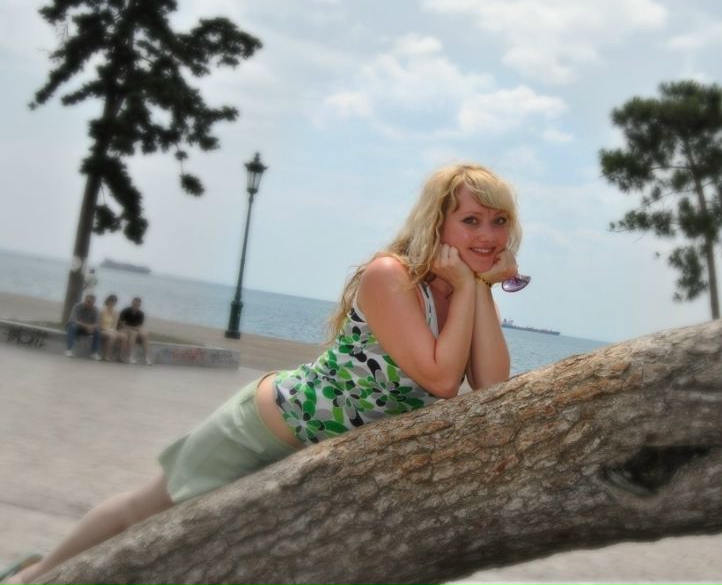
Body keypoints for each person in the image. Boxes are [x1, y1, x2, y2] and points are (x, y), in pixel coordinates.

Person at [6, 163, 523, 584]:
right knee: (142, 511)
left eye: (499, 221)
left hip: (319, 460)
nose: (488, 235)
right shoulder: (390, 275)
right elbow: (440, 380)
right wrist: (469, 287)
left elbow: (492, 388)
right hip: (263, 430)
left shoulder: (467, 295)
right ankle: (34, 577)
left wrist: (478, 288)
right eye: (471, 220)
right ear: (437, 222)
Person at [64, 294, 101, 360]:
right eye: (88, 302)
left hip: (87, 329)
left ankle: (94, 353)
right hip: (76, 327)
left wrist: (92, 327)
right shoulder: (77, 306)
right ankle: (69, 350)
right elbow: (73, 319)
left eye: (92, 303)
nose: (89, 304)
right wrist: (86, 326)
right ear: (84, 300)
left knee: (97, 331)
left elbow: (97, 323)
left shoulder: (95, 309)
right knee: (72, 326)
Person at [118, 297, 151, 365]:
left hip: (133, 329)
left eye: (137, 304)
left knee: (145, 335)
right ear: (132, 303)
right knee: (133, 333)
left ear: (139, 305)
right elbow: (122, 325)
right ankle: (130, 356)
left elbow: (139, 327)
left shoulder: (141, 314)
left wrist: (131, 328)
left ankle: (146, 358)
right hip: (124, 330)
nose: (136, 306)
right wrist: (133, 328)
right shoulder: (125, 311)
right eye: (134, 304)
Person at [99, 294, 126, 362]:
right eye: (111, 301)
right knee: (112, 336)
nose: (113, 303)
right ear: (108, 301)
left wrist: (114, 331)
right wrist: (108, 330)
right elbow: (99, 324)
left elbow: (114, 325)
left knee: (124, 336)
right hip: (102, 330)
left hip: (111, 330)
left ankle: (120, 357)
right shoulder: (102, 311)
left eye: (114, 302)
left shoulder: (115, 313)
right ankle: (106, 356)